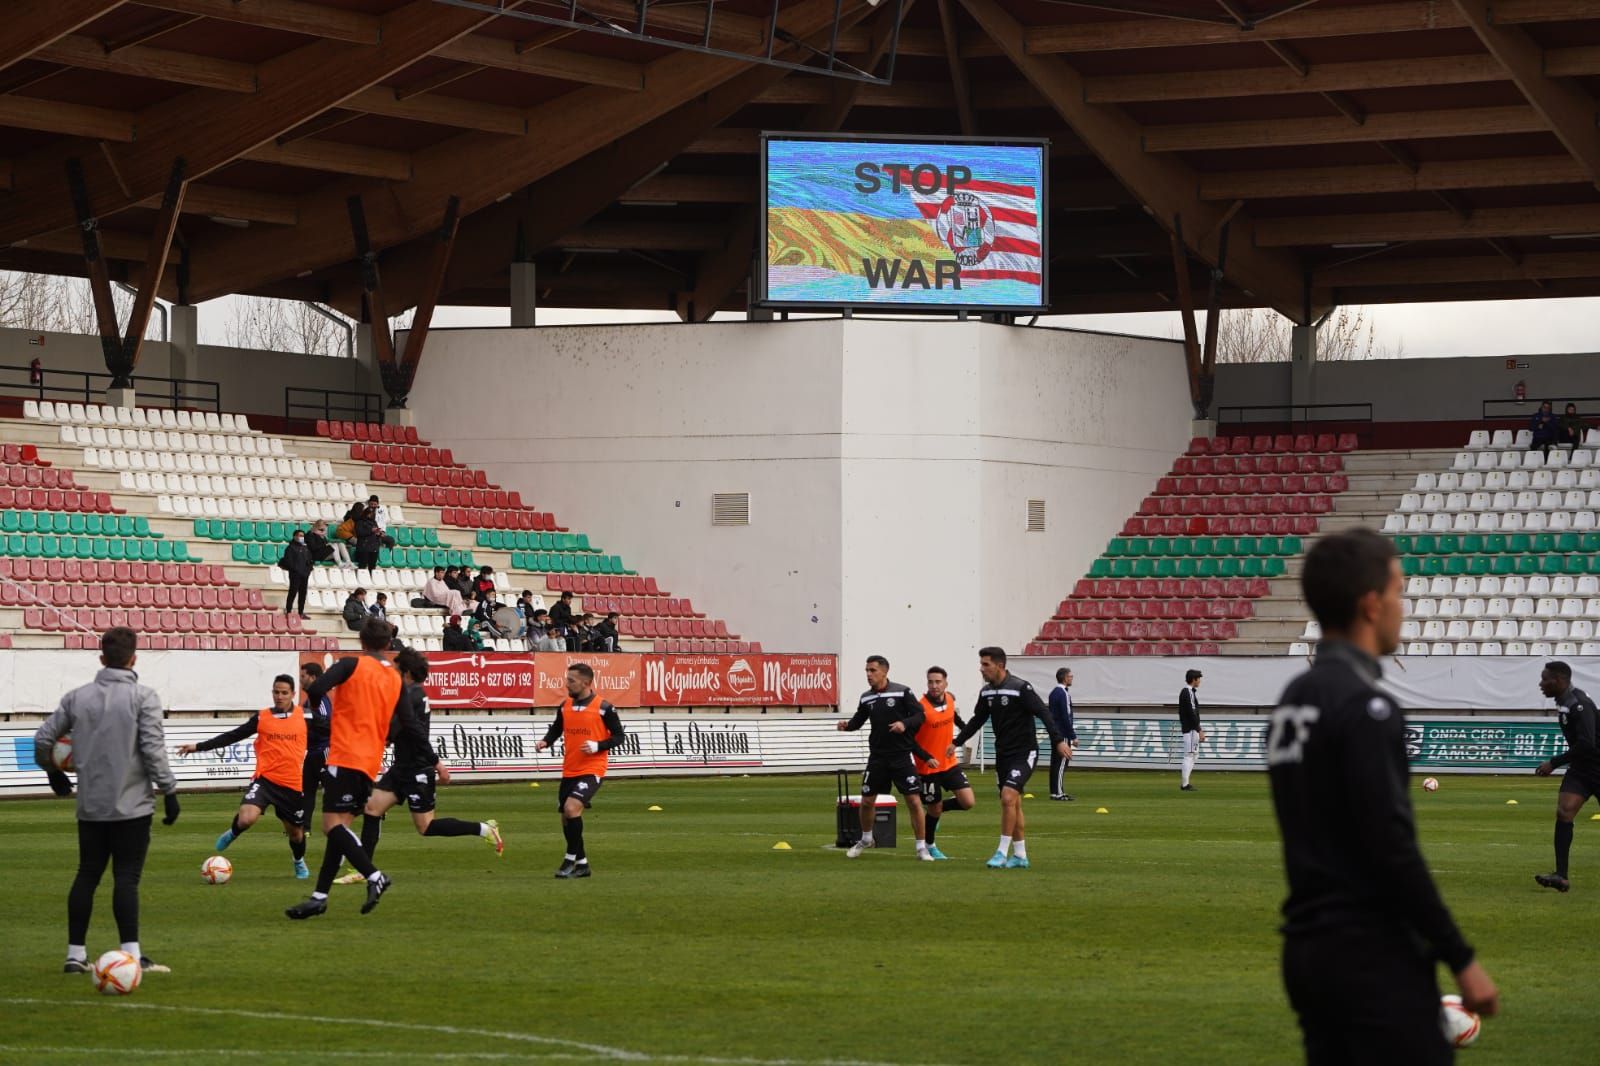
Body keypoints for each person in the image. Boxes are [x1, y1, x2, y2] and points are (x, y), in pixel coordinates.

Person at [1268, 528, 1497, 1060]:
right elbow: (1391, 847)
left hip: (1307, 950)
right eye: (1398, 591)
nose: (1403, 605)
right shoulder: (1367, 708)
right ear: (1371, 605)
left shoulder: (1294, 699)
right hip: (1369, 953)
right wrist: (1460, 957)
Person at [33, 627, 180, 975]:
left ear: (101, 658)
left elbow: (43, 739)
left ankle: (74, 955)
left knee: (86, 875)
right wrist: (170, 790)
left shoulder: (77, 697)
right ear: (134, 659)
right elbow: (152, 749)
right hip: (133, 805)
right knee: (126, 879)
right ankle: (131, 955)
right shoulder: (144, 697)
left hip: (91, 805)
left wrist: (53, 771)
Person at [284, 618, 406, 920]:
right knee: (341, 829)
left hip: (346, 755)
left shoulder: (352, 665)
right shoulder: (395, 678)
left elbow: (318, 686)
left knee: (331, 826)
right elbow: (400, 720)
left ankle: (374, 876)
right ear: (388, 644)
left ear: (362, 641)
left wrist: (320, 706)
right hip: (370, 759)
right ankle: (319, 897)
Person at [358, 650, 504, 863]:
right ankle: (362, 869)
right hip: (402, 768)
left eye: (397, 670)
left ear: (406, 672)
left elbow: (414, 733)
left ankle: (485, 829)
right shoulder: (412, 693)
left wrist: (436, 763)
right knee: (372, 808)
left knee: (426, 827)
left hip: (417, 768)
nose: (394, 674)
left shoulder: (412, 694)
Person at [176, 675, 309, 879]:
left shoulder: (305, 717)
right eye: (276, 692)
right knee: (247, 818)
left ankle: (298, 861)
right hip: (265, 780)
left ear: (293, 694)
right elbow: (233, 735)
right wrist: (198, 747)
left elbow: (330, 733)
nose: (279, 696)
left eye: (284, 692)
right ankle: (233, 832)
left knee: (296, 834)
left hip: (291, 785)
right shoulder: (262, 717)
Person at [951, 646, 1069, 869]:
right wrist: (956, 742)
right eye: (981, 664)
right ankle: (1021, 855)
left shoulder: (1020, 688)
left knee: (1007, 797)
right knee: (1013, 803)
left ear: (1000, 665)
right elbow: (977, 719)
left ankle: (1001, 853)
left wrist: (1058, 740)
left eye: (986, 664)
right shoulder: (986, 692)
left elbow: (1043, 713)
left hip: (1024, 753)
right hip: (1002, 754)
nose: (981, 669)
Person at [533, 663, 627, 879]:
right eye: (567, 679)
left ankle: (569, 859)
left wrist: (598, 745)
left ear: (586, 683)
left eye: (571, 681)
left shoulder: (604, 707)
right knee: (567, 818)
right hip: (570, 768)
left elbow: (619, 736)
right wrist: (546, 741)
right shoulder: (565, 705)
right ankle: (583, 864)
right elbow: (557, 728)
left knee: (571, 808)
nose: (567, 684)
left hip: (593, 768)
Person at [837, 655, 934, 861]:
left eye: (872, 670)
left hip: (901, 756)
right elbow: (859, 719)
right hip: (878, 757)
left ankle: (921, 848)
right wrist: (848, 726)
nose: (868, 675)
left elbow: (920, 715)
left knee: (914, 801)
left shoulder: (902, 692)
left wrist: (904, 724)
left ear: (884, 671)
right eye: (867, 671)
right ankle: (865, 839)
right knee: (866, 801)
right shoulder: (866, 697)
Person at [1533, 660, 1600, 892]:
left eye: (1545, 679)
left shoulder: (1579, 704)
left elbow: (1587, 744)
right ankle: (1561, 876)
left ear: (1559, 681)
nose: (1541, 684)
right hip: (1582, 769)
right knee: (1564, 812)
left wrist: (1554, 762)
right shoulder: (1564, 702)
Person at [913, 665, 973, 861]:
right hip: (928, 769)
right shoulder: (920, 708)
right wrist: (925, 757)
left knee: (967, 802)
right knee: (934, 808)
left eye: (938, 682)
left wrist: (963, 736)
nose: (934, 685)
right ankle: (930, 846)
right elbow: (909, 739)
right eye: (930, 682)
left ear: (946, 683)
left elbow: (955, 718)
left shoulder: (950, 699)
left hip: (949, 763)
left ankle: (936, 813)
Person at [299, 661, 331, 834]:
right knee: (307, 791)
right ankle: (305, 828)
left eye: (303, 676)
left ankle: (368, 803)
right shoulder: (308, 701)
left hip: (324, 750)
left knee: (334, 790)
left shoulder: (320, 701)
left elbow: (328, 725)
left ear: (312, 678)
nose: (300, 680)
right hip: (312, 752)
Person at [1179, 669, 1205, 792]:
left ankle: (1186, 783)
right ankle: (1185, 785)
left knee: (1194, 755)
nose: (1199, 681)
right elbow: (1191, 712)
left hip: (1190, 728)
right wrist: (1199, 729)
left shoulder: (1189, 692)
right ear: (1194, 679)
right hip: (1190, 729)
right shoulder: (1188, 692)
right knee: (1189, 755)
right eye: (1198, 679)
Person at [278, 529, 311, 619]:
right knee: (292, 592)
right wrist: (296, 570)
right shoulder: (290, 548)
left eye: (302, 536)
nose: (301, 537)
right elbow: (289, 562)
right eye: (300, 535)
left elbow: (309, 560)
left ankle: (301, 613)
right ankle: (288, 611)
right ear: (295, 537)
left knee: (303, 594)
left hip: (304, 575)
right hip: (295, 575)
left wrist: (308, 570)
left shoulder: (305, 548)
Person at [353, 505, 381, 573]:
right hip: (364, 547)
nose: (371, 515)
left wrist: (379, 534)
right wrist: (371, 530)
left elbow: (376, 531)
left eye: (372, 513)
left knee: (372, 567)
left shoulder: (374, 522)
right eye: (369, 513)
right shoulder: (359, 522)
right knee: (362, 566)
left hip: (374, 547)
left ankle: (371, 579)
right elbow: (359, 533)